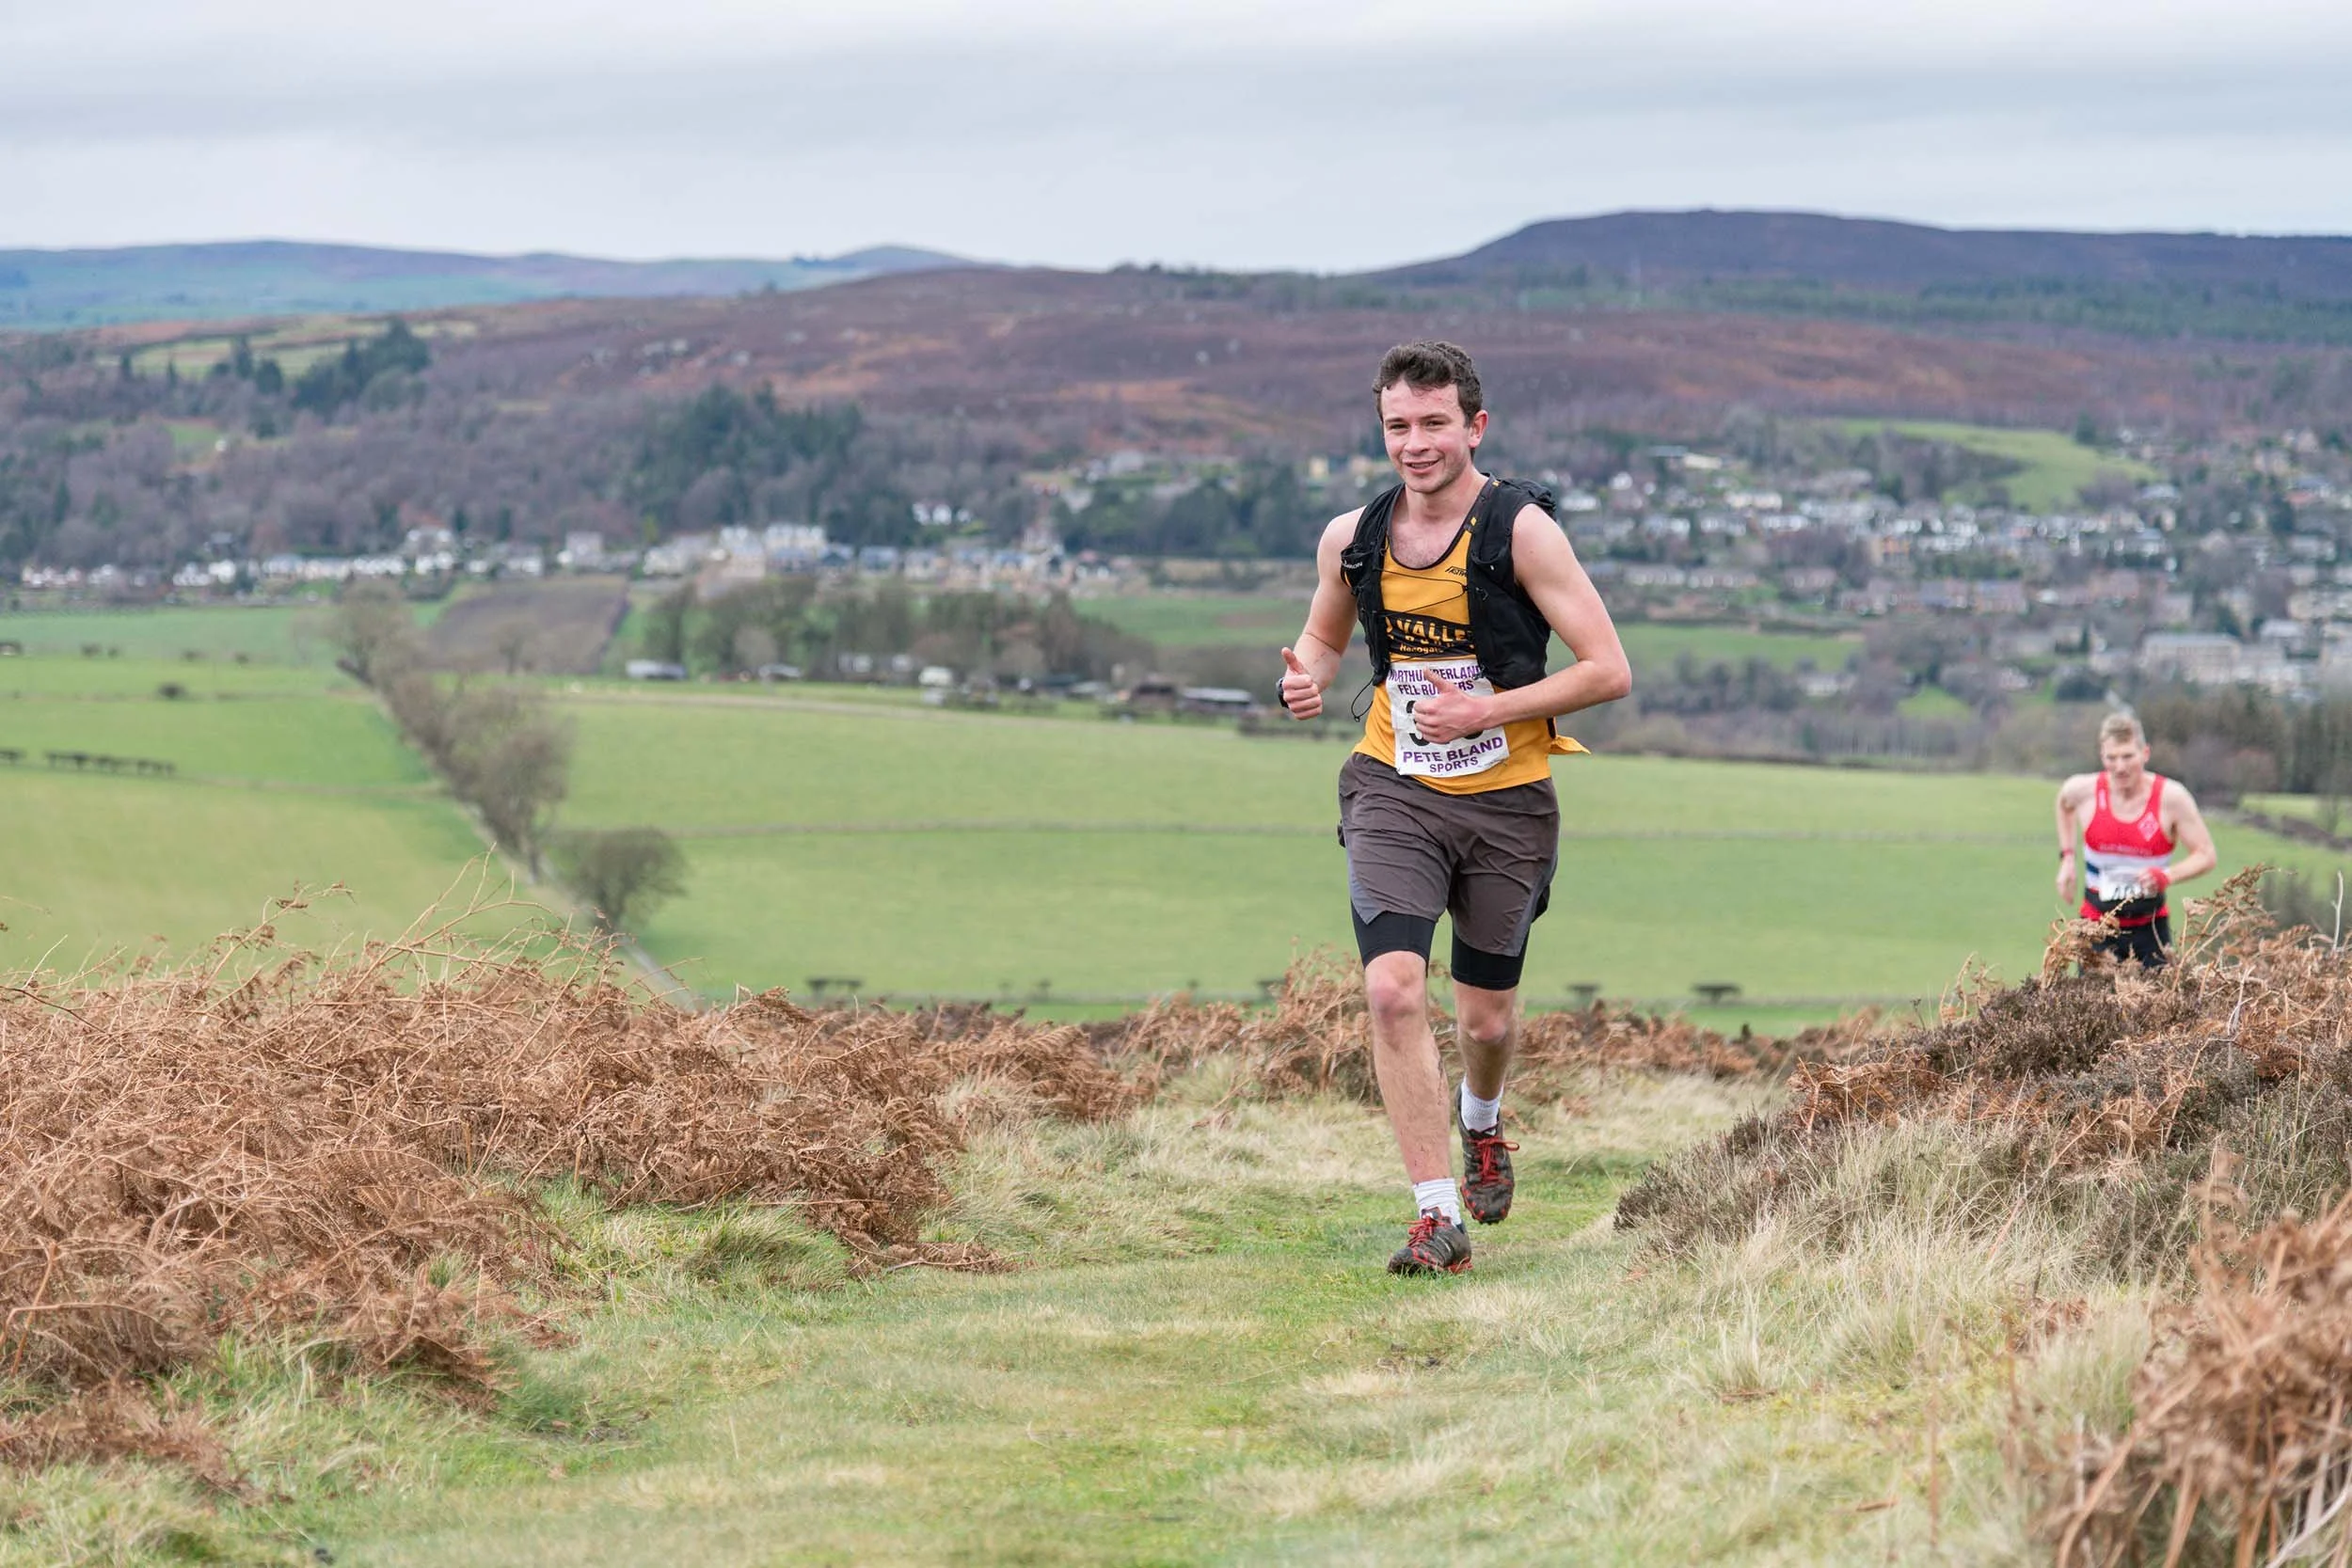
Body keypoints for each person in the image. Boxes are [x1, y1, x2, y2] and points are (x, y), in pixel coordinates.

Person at [1277, 341, 1631, 1276]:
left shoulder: (1522, 533)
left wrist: (1488, 709)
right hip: (1393, 784)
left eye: (1434, 423)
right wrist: (1308, 677)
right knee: (1392, 985)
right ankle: (1436, 1214)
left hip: (1507, 803)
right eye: (1398, 424)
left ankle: (1481, 1120)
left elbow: (1608, 669)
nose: (1415, 443)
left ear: (1474, 426)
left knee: (1483, 1020)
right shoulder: (1350, 536)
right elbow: (1323, 634)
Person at [2055, 711, 2217, 967]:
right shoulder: (2082, 791)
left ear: (2145, 753)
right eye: (2112, 758)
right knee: (2092, 1007)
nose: (2120, 767)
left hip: (2150, 931)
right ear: (2102, 756)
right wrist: (2067, 858)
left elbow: (2206, 855)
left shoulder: (2172, 798)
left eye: (2128, 756)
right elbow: (2063, 805)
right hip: (2096, 929)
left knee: (2160, 1006)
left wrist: (2167, 876)